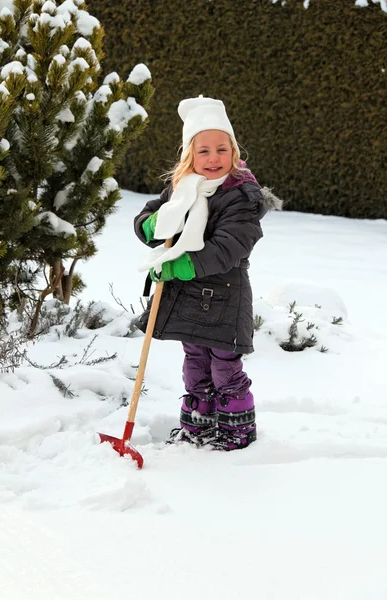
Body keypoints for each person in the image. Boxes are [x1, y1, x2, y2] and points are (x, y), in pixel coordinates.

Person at [134, 95, 281, 451]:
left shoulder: (242, 196)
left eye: (220, 149)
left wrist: (183, 265)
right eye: (203, 151)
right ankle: (199, 424)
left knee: (225, 369)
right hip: (187, 298)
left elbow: (231, 246)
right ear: (189, 155)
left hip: (224, 298)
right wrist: (152, 224)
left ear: (233, 151)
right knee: (194, 364)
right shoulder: (181, 189)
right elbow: (148, 219)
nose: (213, 159)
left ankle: (235, 429)